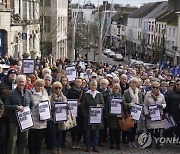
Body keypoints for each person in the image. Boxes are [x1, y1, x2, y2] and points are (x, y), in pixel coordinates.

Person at [6, 75, 34, 154]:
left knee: (24, 139)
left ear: (25, 83)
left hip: (25, 120)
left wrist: (29, 112)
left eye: (22, 82)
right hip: (13, 120)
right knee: (12, 139)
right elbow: (6, 106)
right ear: (16, 82)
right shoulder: (11, 93)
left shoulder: (29, 93)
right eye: (19, 82)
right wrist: (16, 107)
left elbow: (32, 104)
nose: (21, 83)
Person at [81, 80, 104, 152]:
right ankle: (88, 146)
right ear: (89, 86)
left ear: (96, 86)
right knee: (87, 134)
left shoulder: (99, 94)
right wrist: (86, 115)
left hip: (96, 117)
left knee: (96, 134)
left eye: (95, 85)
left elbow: (103, 104)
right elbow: (82, 106)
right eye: (92, 85)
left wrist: (100, 105)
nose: (93, 87)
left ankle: (95, 146)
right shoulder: (86, 94)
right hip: (88, 117)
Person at [28, 79, 50, 154]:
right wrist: (38, 104)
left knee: (39, 141)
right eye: (39, 86)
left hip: (42, 121)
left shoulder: (45, 94)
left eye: (42, 86)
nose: (40, 88)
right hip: (33, 120)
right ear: (35, 85)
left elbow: (48, 106)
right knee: (32, 141)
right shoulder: (30, 93)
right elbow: (29, 105)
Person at [144, 80, 166, 149]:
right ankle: (149, 143)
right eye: (153, 87)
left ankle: (157, 143)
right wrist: (146, 113)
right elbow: (145, 105)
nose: (155, 89)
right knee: (150, 130)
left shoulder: (161, 95)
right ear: (151, 87)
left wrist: (162, 106)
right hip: (150, 115)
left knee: (158, 130)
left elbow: (164, 103)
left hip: (158, 114)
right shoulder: (148, 94)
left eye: (157, 87)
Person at [123, 77, 143, 148]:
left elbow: (141, 102)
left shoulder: (139, 92)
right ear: (130, 83)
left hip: (137, 112)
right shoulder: (126, 92)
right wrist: (129, 104)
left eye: (135, 83)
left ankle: (132, 141)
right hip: (129, 112)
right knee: (129, 127)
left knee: (135, 128)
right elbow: (123, 103)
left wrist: (140, 109)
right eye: (132, 82)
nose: (133, 84)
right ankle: (129, 141)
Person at [0, 68, 17, 154]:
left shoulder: (17, 85)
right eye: (11, 74)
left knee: (11, 136)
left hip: (13, 115)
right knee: (3, 134)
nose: (13, 75)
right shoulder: (2, 85)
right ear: (8, 75)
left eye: (14, 74)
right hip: (4, 114)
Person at [50, 81, 67, 154]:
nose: (58, 89)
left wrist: (67, 107)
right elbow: (48, 109)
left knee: (60, 133)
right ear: (53, 89)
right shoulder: (50, 97)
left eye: (59, 88)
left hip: (60, 118)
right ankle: (54, 147)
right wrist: (53, 109)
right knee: (53, 133)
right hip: (53, 118)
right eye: (56, 88)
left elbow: (66, 106)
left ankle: (59, 147)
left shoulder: (64, 97)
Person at [67, 77, 84, 149]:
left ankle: (78, 142)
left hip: (80, 112)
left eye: (79, 82)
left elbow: (85, 102)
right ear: (74, 83)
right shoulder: (70, 91)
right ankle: (73, 141)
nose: (78, 83)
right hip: (73, 111)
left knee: (80, 128)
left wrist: (81, 104)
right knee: (73, 127)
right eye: (77, 82)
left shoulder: (83, 92)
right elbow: (67, 99)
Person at [106, 83, 122, 150]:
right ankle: (112, 144)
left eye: (117, 88)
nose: (116, 90)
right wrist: (107, 115)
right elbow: (107, 106)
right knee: (112, 132)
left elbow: (124, 107)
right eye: (115, 88)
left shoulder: (121, 96)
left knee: (118, 132)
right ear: (113, 89)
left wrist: (123, 103)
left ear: (119, 89)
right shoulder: (109, 96)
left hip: (119, 117)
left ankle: (118, 144)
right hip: (112, 117)